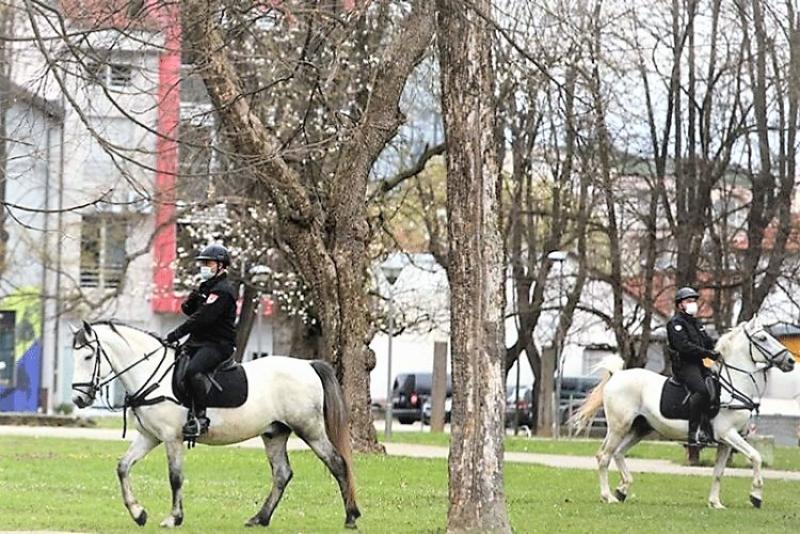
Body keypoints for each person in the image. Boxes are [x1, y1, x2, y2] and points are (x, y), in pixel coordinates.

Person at [165, 244, 237, 439]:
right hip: (198, 342)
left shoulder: (223, 290)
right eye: (202, 263)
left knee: (193, 370)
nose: (203, 266)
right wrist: (192, 298)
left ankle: (201, 417)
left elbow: (203, 318)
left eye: (208, 263)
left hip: (218, 344)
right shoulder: (207, 287)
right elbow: (190, 311)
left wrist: (175, 334)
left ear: (221, 265)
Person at [666, 286, 720, 446]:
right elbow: (684, 347)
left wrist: (718, 347)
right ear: (680, 305)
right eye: (688, 301)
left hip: (698, 364)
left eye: (694, 301)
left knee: (715, 386)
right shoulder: (675, 323)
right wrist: (707, 353)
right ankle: (693, 433)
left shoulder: (696, 323)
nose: (692, 304)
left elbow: (707, 341)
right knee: (702, 390)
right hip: (684, 365)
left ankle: (711, 427)